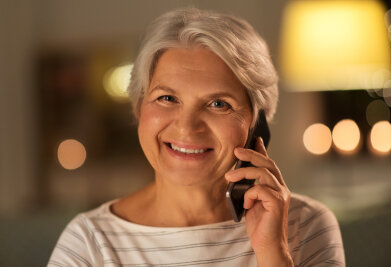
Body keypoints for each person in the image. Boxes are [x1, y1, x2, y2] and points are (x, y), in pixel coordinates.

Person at [48, 7, 345, 267]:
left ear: (257, 126)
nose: (187, 128)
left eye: (219, 104)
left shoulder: (306, 225)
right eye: (166, 98)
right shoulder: (89, 243)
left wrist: (273, 253)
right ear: (139, 108)